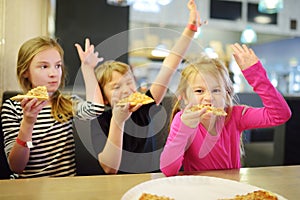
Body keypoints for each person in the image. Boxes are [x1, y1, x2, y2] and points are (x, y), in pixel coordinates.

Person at [93, 0, 201, 174]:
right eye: (115, 87)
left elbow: (170, 65)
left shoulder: (144, 105)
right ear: (104, 97)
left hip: (151, 180)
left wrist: (191, 29)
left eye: (129, 83)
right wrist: (118, 121)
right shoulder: (100, 119)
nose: (126, 90)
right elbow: (109, 169)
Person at [160, 43, 292, 177]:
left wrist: (256, 75)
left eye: (216, 90)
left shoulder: (236, 115)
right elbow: (168, 170)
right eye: (199, 91)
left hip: (232, 188)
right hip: (198, 189)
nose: (209, 98)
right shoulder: (182, 121)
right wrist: (184, 129)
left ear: (226, 94)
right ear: (184, 98)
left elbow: (280, 115)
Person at [0, 36, 105, 178]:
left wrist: (87, 68)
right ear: (25, 71)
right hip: (27, 187)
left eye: (57, 66)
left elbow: (96, 109)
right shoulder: (13, 107)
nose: (54, 73)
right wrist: (28, 122)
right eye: (44, 66)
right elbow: (17, 166)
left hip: (64, 186)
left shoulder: (66, 103)